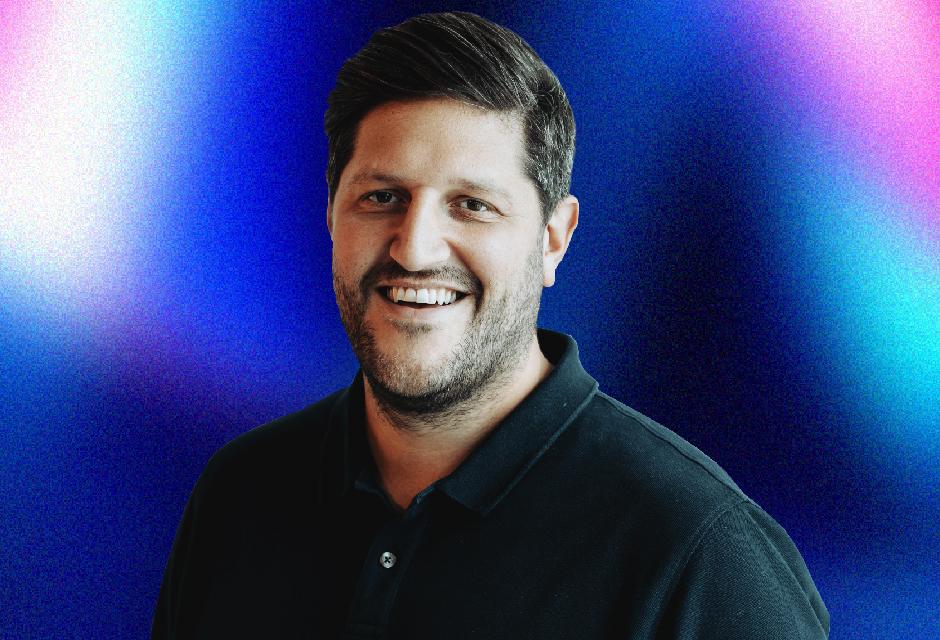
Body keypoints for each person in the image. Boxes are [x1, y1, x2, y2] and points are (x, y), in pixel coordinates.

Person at [152, 12, 830, 639]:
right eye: (381, 197)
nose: (414, 247)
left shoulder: (698, 557)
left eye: (472, 205)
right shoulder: (239, 495)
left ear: (553, 240)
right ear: (333, 214)